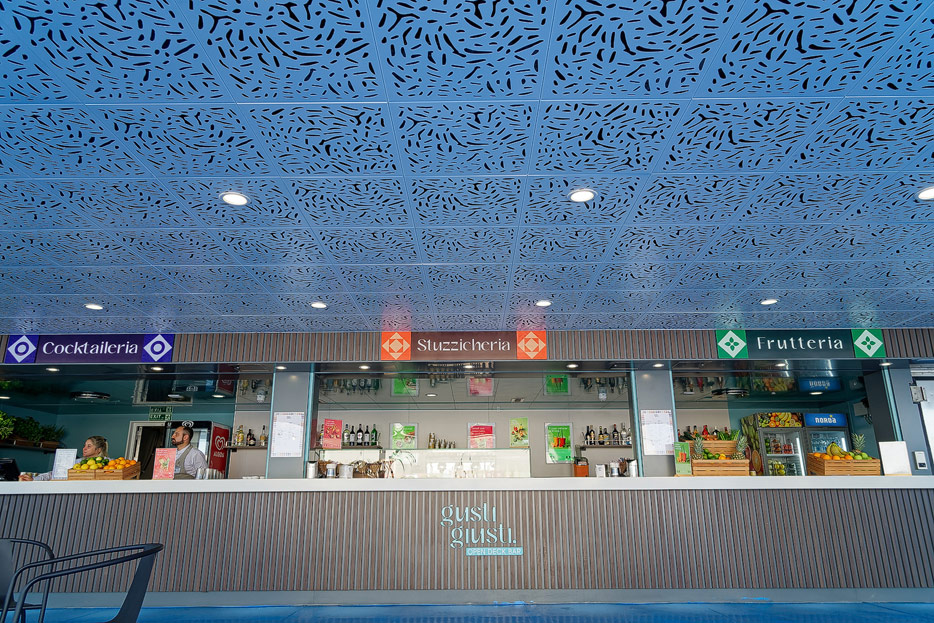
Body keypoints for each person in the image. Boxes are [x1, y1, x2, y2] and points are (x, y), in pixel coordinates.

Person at [19, 435, 109, 481]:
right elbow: (53, 474)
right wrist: (34, 479)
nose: (84, 449)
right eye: (84, 446)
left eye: (89, 446)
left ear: (98, 450)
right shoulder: (76, 462)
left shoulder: (109, 463)